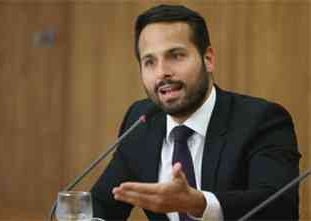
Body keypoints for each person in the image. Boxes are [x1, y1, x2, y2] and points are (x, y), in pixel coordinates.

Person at [91, 4, 300, 221]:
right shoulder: (141, 120)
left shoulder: (261, 120)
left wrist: (200, 204)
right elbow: (103, 203)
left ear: (208, 59)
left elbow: (280, 207)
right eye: (150, 62)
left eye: (176, 56)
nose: (162, 72)